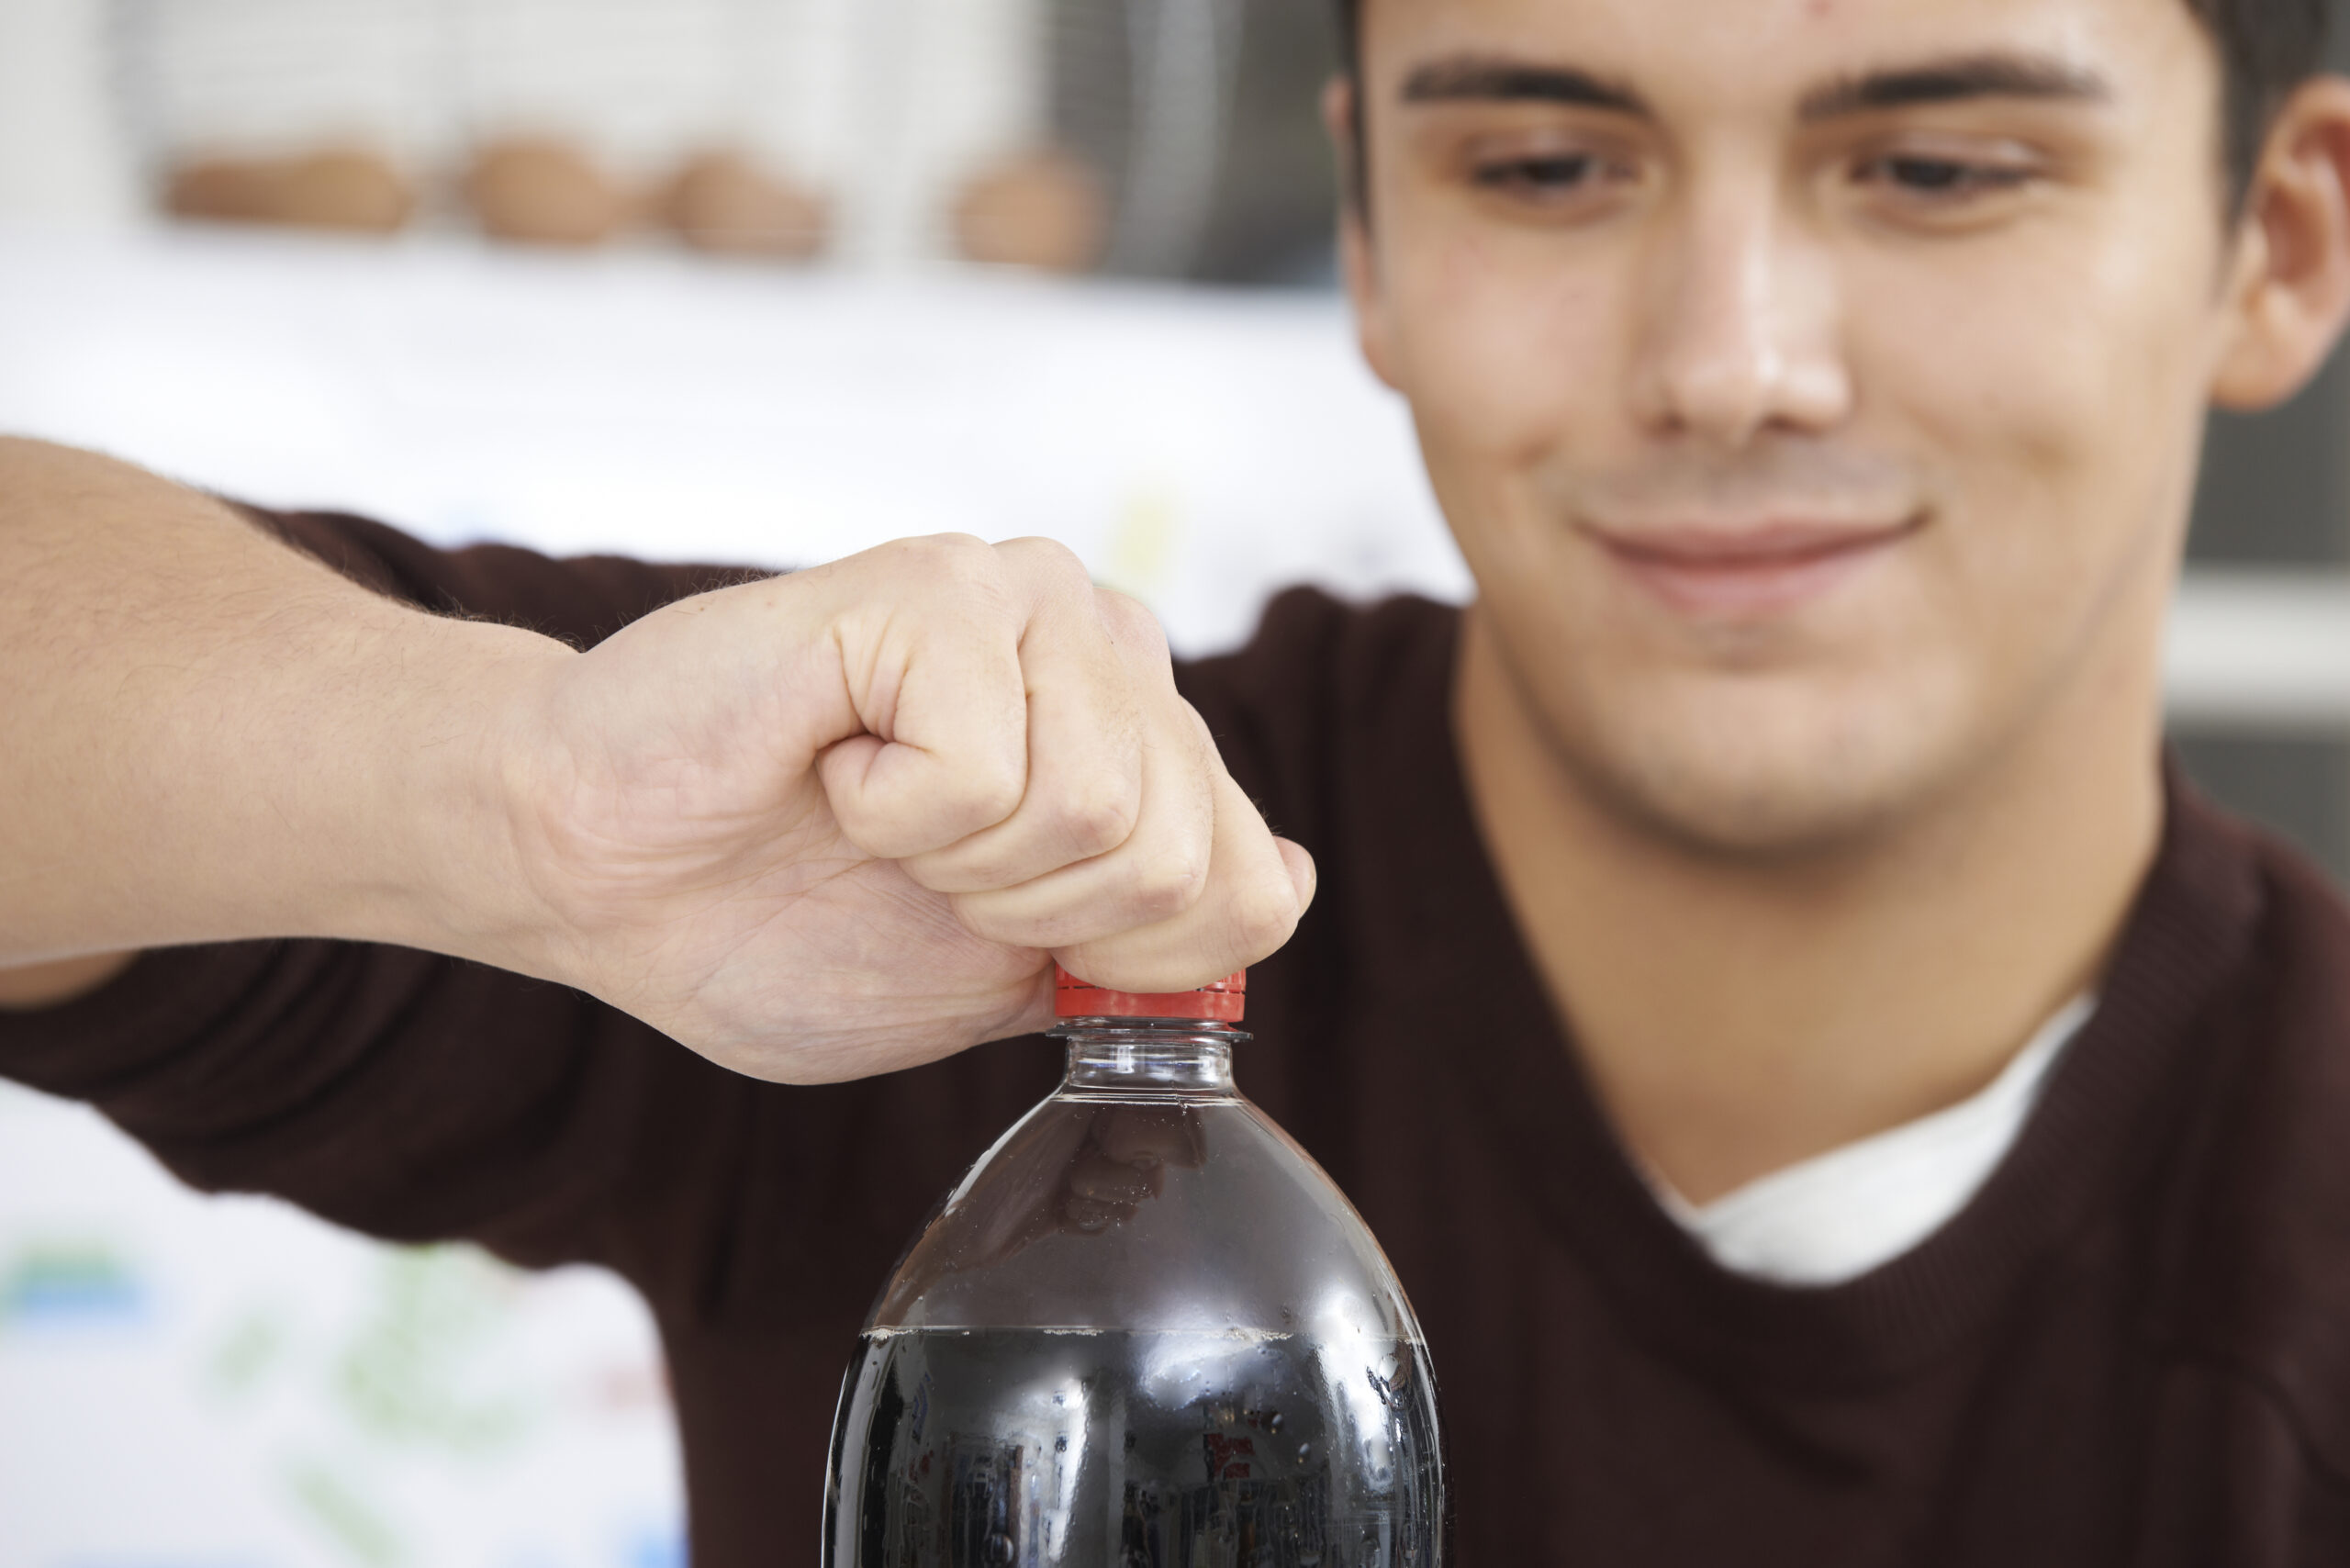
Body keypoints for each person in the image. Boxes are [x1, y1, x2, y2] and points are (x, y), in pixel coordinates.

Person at [6, 0, 2350, 1560]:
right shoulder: (938, 867)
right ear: (1367, 231)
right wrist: (525, 802)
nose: (1726, 358)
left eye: (1937, 167)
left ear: (2272, 238)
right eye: (1541, 163)